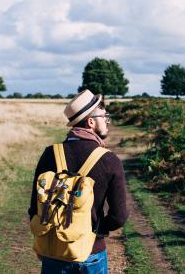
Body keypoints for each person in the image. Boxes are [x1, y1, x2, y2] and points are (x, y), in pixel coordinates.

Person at [28, 89, 128, 274]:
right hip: (91, 253)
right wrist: (93, 232)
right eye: (103, 115)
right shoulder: (109, 160)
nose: (107, 120)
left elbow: (34, 208)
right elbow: (119, 216)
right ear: (91, 122)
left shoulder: (50, 153)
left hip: (54, 252)